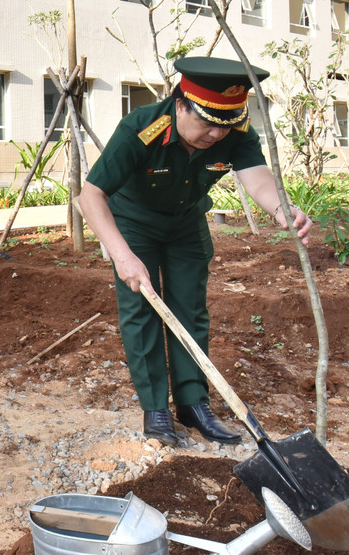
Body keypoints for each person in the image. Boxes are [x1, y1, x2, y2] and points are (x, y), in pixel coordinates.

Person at [78, 57, 312, 448]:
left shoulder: (233, 131)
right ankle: (155, 407)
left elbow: (256, 176)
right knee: (142, 310)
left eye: (225, 126)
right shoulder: (141, 129)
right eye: (207, 123)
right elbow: (91, 195)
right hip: (134, 224)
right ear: (181, 104)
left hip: (186, 223)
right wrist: (122, 255)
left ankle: (192, 402)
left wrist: (281, 208)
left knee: (190, 309)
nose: (217, 135)